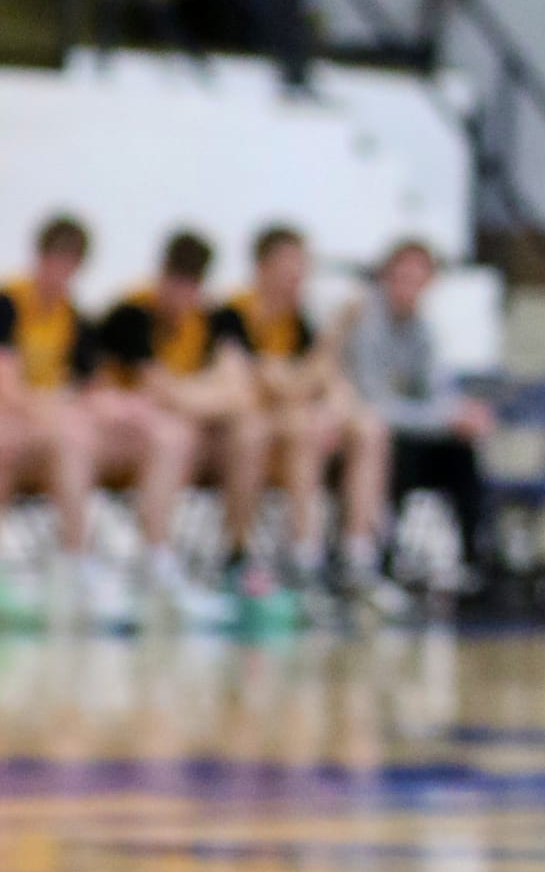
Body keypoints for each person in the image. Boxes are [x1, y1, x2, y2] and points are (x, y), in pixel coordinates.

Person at [0, 215, 228, 631]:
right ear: (39, 257)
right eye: (56, 260)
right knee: (65, 434)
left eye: (71, 263)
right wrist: (67, 407)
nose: (62, 272)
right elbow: (8, 388)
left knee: (166, 435)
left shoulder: (74, 318)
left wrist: (118, 408)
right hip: (21, 426)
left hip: (54, 426)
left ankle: (156, 560)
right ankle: (71, 563)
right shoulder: (10, 304)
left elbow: (95, 387)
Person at [210, 226, 405, 617]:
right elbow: (279, 386)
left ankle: (358, 555)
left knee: (368, 428)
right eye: (289, 267)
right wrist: (336, 333)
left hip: (290, 427)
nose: (297, 276)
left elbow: (327, 383)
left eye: (301, 267)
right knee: (299, 428)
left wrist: (336, 406)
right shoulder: (233, 315)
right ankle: (297, 556)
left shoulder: (299, 320)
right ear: (262, 268)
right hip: (239, 435)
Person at [93, 229, 277, 612]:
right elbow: (156, 391)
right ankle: (157, 560)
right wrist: (207, 391)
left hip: (195, 435)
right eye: (176, 282)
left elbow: (240, 391)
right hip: (135, 440)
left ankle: (237, 554)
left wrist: (188, 396)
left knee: (250, 430)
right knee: (171, 435)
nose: (183, 295)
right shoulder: (132, 314)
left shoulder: (217, 318)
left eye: (191, 285)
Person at [334, 239, 494, 595]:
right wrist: (444, 418)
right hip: (363, 437)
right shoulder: (365, 325)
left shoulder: (424, 330)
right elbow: (374, 404)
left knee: (461, 452)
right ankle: (373, 560)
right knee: (389, 445)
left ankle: (473, 564)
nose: (409, 287)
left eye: (418, 279)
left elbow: (436, 392)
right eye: (402, 277)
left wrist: (460, 413)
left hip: (405, 433)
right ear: (385, 278)